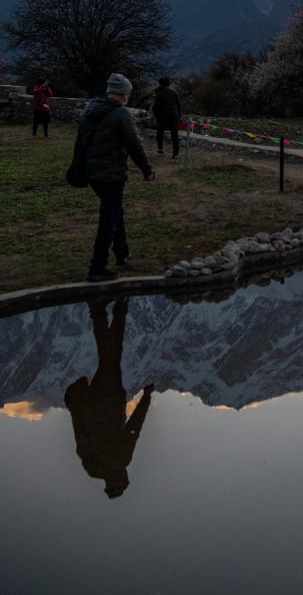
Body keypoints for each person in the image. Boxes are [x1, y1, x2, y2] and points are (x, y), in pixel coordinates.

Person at [64, 298, 153, 499]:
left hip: (108, 401)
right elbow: (80, 430)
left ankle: (109, 307)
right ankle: (106, 309)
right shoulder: (90, 465)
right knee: (110, 356)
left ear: (120, 479)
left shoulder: (120, 461)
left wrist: (146, 397)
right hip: (84, 401)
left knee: (111, 357)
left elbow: (134, 428)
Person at [81, 72, 155, 282]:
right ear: (123, 94)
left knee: (114, 210)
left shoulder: (91, 110)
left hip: (92, 171)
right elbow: (134, 144)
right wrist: (146, 170)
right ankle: (97, 266)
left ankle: (121, 252)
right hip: (111, 172)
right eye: (128, 93)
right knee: (109, 216)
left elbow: (81, 141)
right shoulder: (121, 113)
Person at [152, 75, 182, 158]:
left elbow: (156, 105)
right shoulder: (173, 93)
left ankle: (160, 149)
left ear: (160, 83)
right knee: (174, 134)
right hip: (174, 115)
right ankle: (175, 153)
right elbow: (178, 105)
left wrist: (155, 115)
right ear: (168, 84)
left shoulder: (158, 93)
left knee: (159, 132)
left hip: (162, 115)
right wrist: (179, 116)